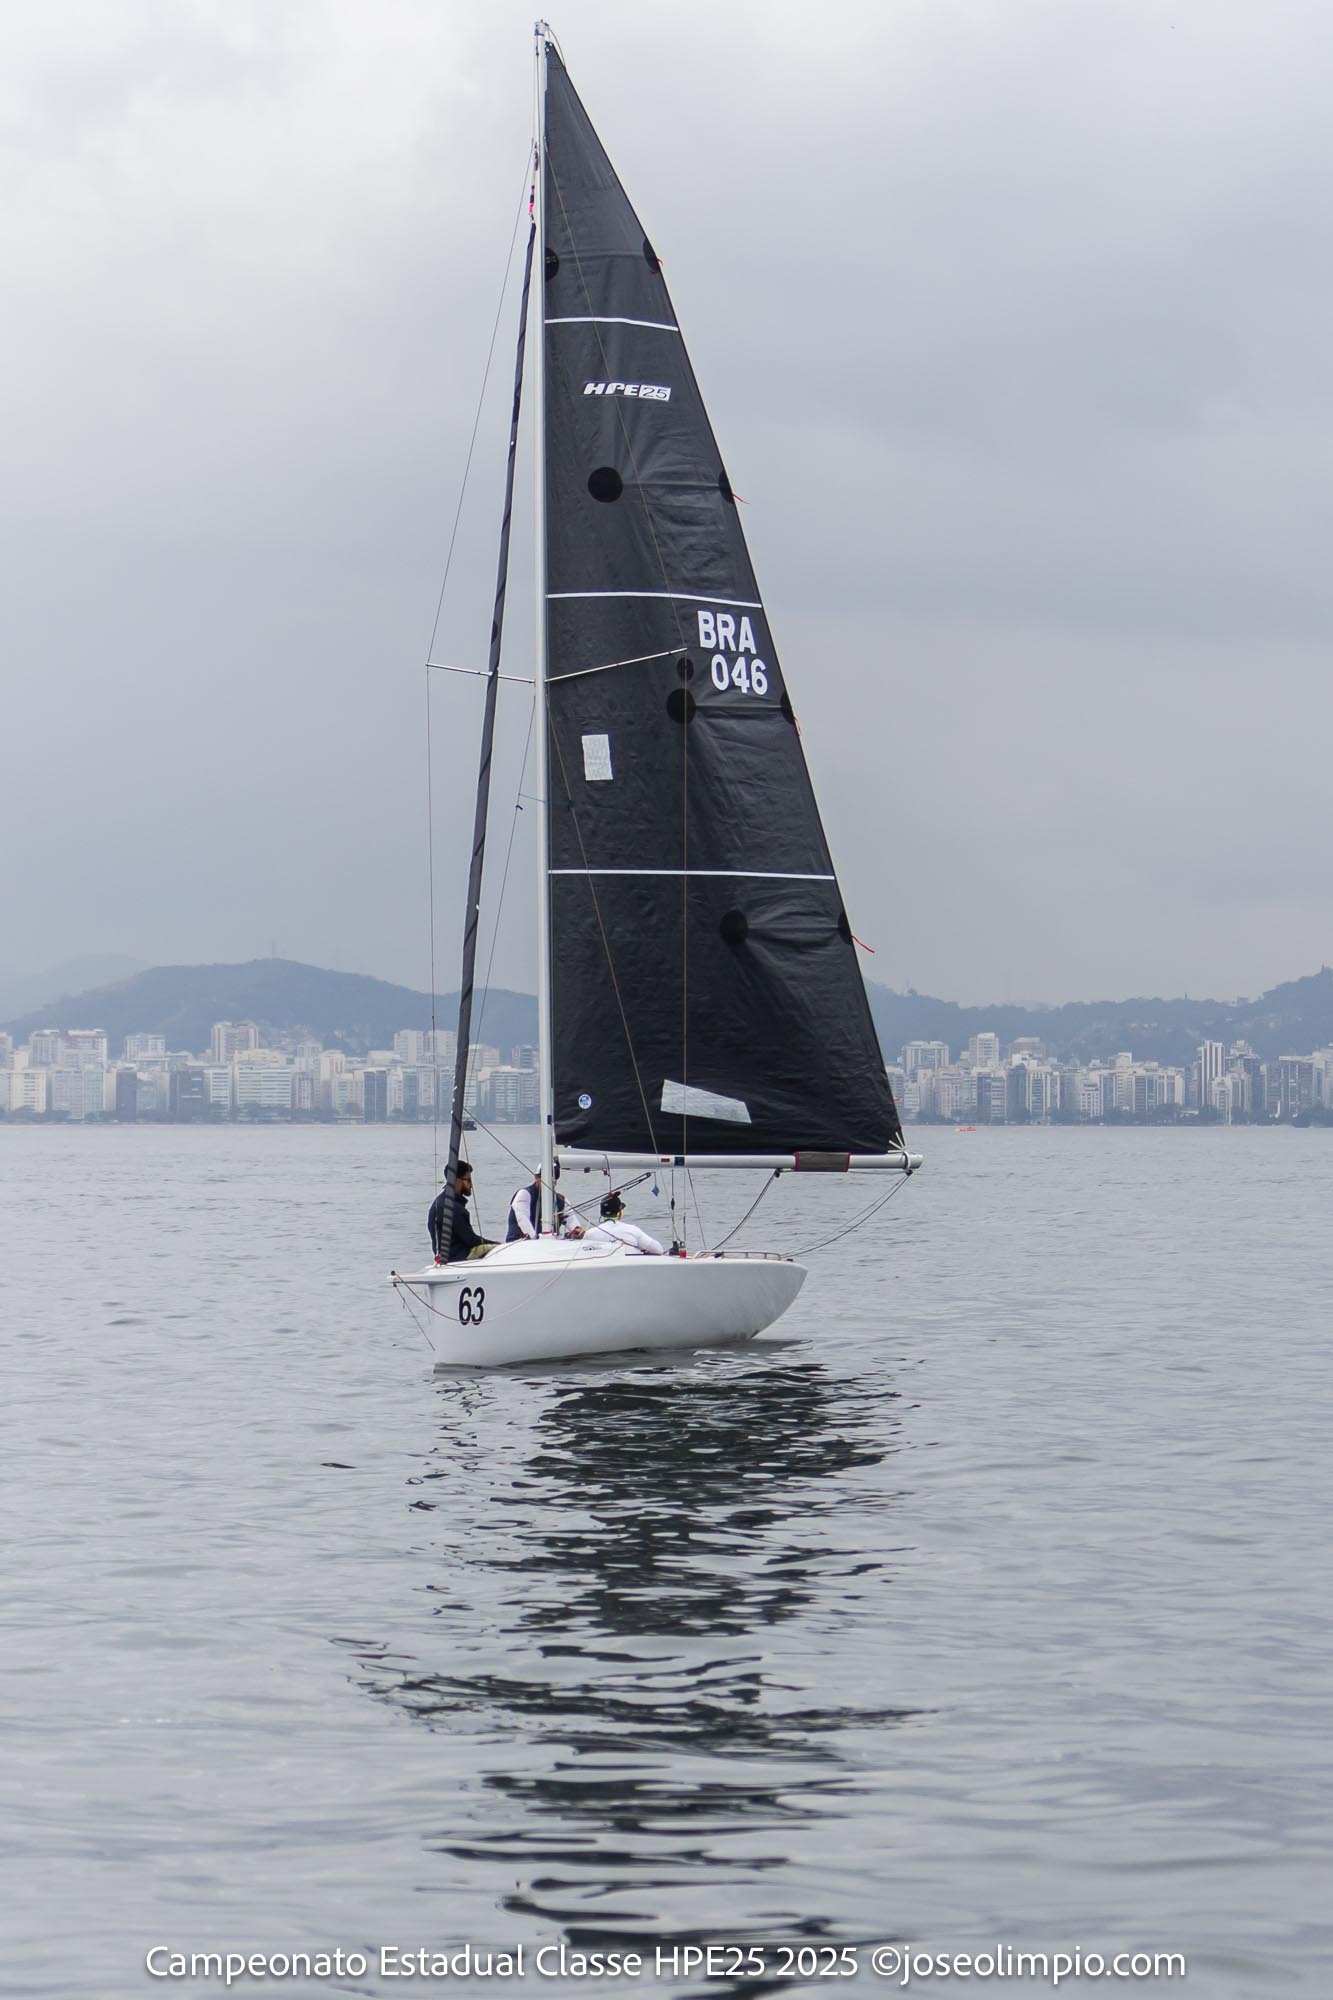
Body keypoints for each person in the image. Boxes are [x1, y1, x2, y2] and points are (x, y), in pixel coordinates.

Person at [427, 1160, 497, 1263]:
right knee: (499, 1249)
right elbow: (471, 1240)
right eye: (469, 1180)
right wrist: (495, 1244)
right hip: (459, 1257)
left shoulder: (440, 1203)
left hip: (446, 1257)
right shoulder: (452, 1208)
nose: (471, 1185)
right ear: (457, 1181)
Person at [506, 1161, 579, 1242]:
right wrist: (535, 1238)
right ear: (536, 1177)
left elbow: (573, 1223)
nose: (550, 1181)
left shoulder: (561, 1200)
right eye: (544, 1177)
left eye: (554, 1178)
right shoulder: (524, 1194)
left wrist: (577, 1231)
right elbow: (522, 1219)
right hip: (519, 1243)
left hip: (550, 1244)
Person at [582, 1190, 666, 1256]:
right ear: (619, 1213)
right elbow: (658, 1250)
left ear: (601, 1214)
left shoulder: (589, 1233)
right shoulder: (632, 1230)